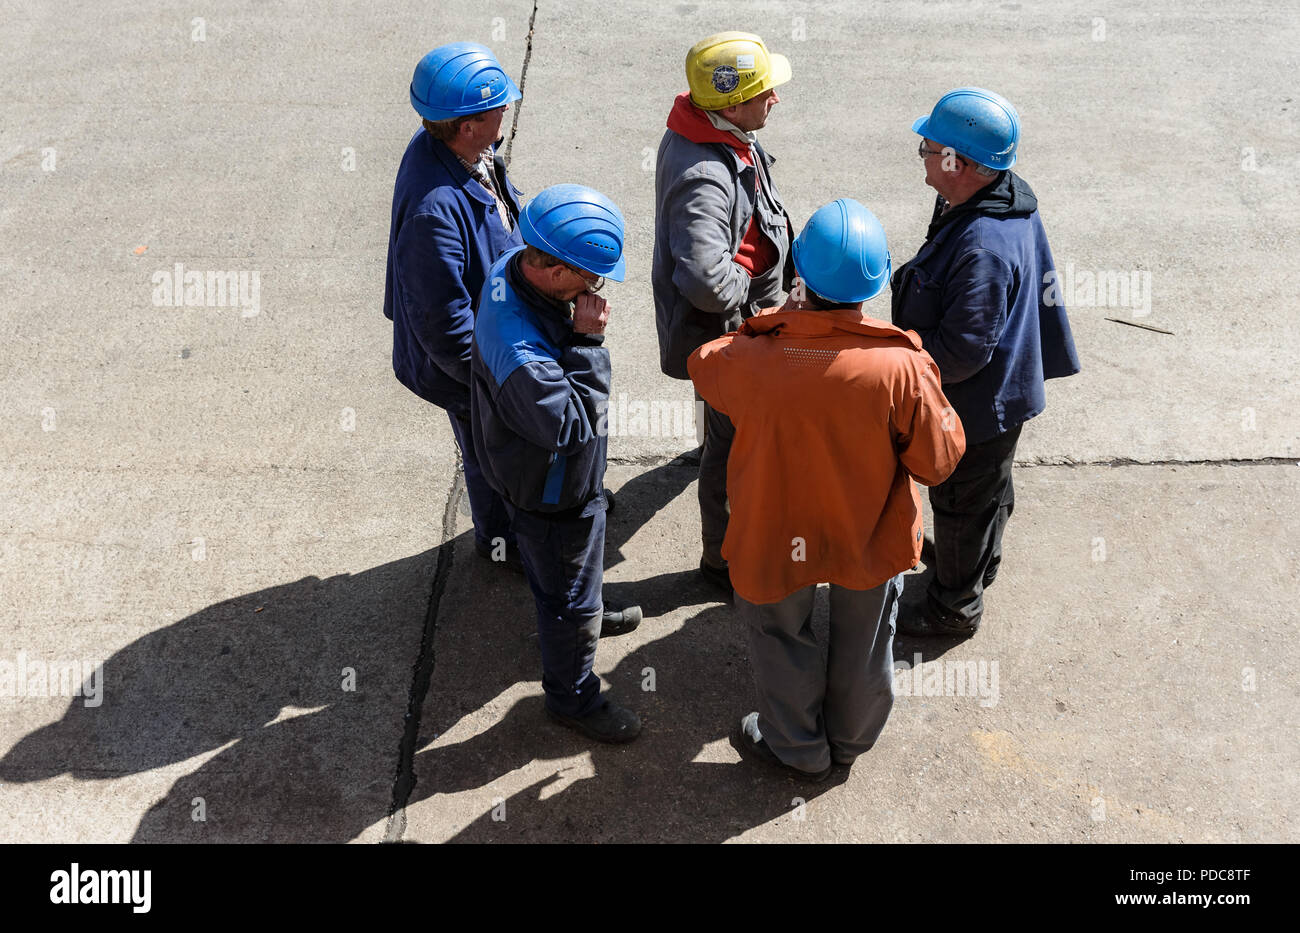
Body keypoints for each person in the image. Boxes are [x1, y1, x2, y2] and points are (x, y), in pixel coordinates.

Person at [689, 199, 966, 781]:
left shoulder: (751, 357)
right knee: (866, 639)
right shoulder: (901, 367)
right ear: (873, 285)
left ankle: (797, 747)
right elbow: (938, 462)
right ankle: (849, 740)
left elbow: (703, 364)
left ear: (799, 278)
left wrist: (768, 321)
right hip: (866, 533)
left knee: (777, 630)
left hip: (775, 529)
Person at [892, 87, 1080, 638]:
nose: (923, 156)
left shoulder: (983, 247)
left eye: (929, 149)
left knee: (959, 502)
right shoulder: (995, 194)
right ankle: (980, 564)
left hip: (977, 407)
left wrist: (897, 357)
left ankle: (954, 607)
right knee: (989, 492)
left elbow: (963, 351)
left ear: (961, 163)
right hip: (1007, 391)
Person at [470, 184, 642, 744]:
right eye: (588, 277)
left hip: (525, 464)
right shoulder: (522, 353)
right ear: (551, 270)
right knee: (565, 596)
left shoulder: (512, 262)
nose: (594, 289)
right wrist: (589, 342)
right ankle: (572, 697)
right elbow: (568, 426)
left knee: (572, 575)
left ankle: (586, 605)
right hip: (551, 487)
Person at [652, 31, 794, 595]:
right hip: (730, 332)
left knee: (724, 431)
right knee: (732, 451)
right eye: (765, 92)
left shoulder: (719, 129)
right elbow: (707, 282)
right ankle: (724, 560)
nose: (774, 100)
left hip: (737, 323)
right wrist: (754, 285)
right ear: (732, 103)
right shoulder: (703, 176)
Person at [383, 42, 525, 568]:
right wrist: (499, 383)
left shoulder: (455, 148)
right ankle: (504, 546)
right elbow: (446, 330)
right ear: (466, 125)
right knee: (492, 455)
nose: (506, 108)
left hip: (489, 345)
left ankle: (548, 507)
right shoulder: (434, 214)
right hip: (468, 370)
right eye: (497, 106)